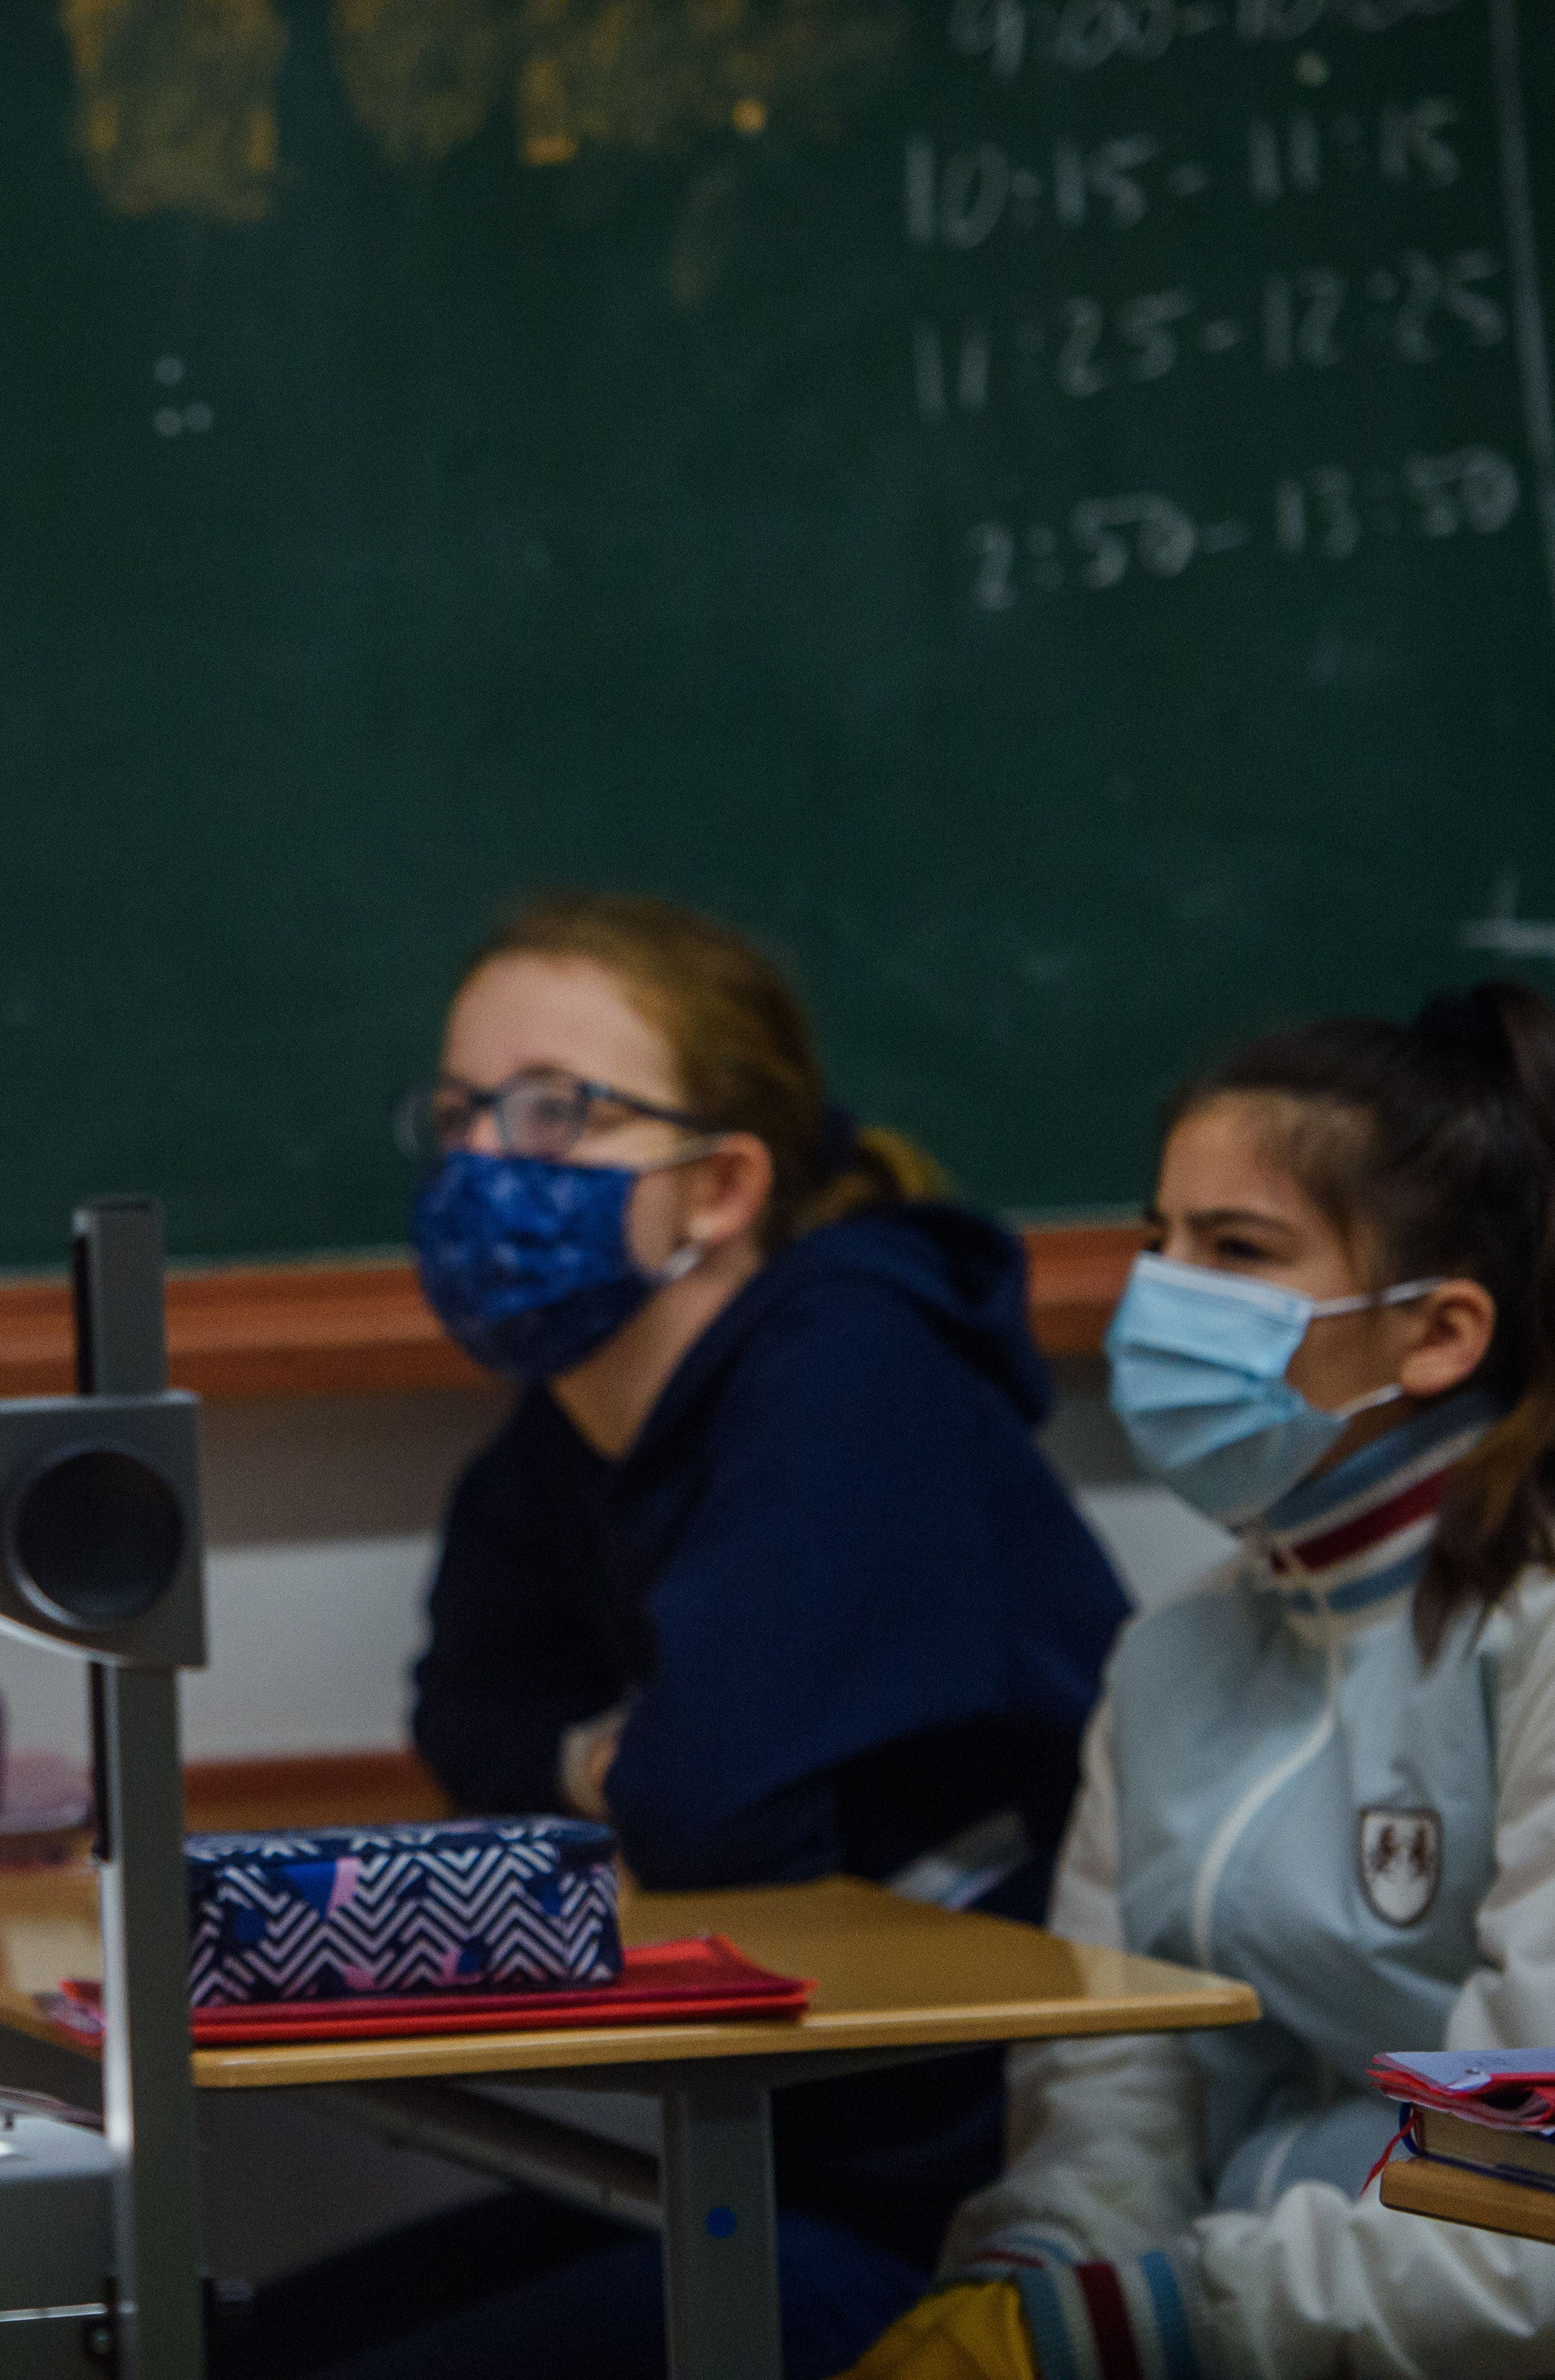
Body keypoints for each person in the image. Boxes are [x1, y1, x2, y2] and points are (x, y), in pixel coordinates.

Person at [850, 982, 1555, 2380]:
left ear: (1439, 1332)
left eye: (1239, 1248)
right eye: (1163, 1240)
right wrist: (1032, 2291)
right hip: (1289, 2335)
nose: (1165, 1296)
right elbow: (1109, 2122)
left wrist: (1125, 2333)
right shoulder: (1174, 1655)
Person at [240, 893, 1130, 2380]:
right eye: (458, 1113)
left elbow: (702, 1804)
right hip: (766, 2164)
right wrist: (609, 1758)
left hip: (966, 2210)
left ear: (718, 1186)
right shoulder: (568, 1423)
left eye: (553, 1115)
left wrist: (621, 1771)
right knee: (249, 2342)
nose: (482, 1167)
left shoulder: (852, 1361)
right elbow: (465, 1711)